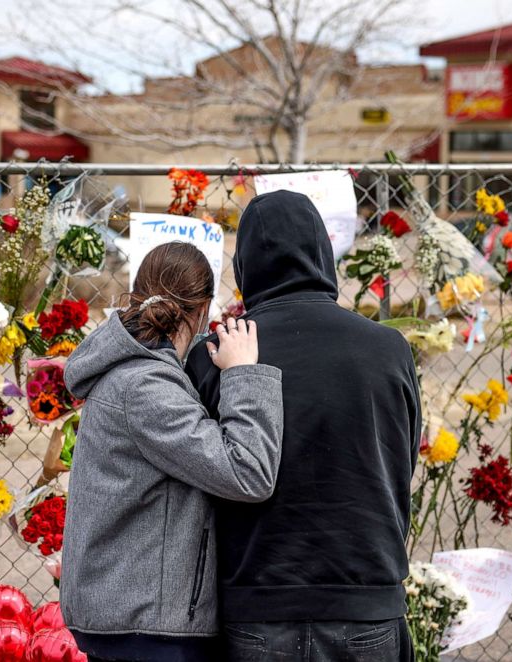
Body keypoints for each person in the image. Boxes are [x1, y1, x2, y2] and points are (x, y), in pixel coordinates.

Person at [185, 190, 422, 662]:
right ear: (322, 254)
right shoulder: (388, 349)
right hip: (365, 598)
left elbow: (197, 477)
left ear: (244, 267)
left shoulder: (216, 354)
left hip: (255, 600)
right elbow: (403, 457)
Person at [60, 241, 284, 662]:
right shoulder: (146, 389)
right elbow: (248, 473)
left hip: (132, 615)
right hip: (145, 626)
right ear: (202, 311)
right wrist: (244, 374)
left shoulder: (137, 376)